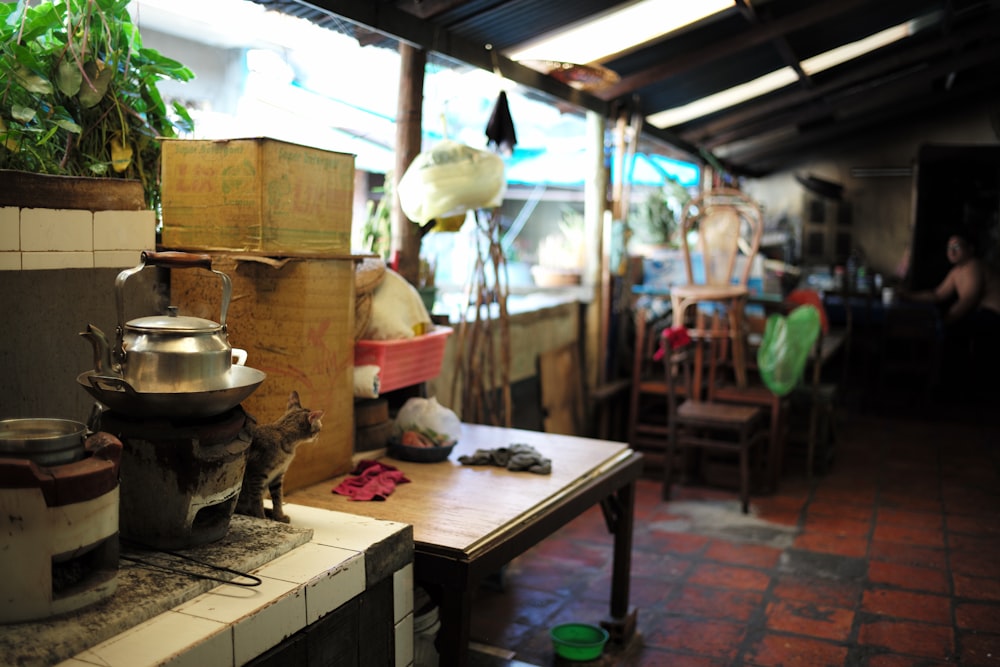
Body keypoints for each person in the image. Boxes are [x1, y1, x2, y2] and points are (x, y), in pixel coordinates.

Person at [900, 234, 1000, 397]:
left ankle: (953, 386)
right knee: (944, 329)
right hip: (981, 314)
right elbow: (937, 294)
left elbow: (968, 300)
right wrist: (908, 296)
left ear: (970, 249)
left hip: (994, 315)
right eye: (949, 248)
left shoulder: (973, 266)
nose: (951, 251)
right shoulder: (956, 271)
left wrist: (946, 321)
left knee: (952, 332)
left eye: (957, 247)